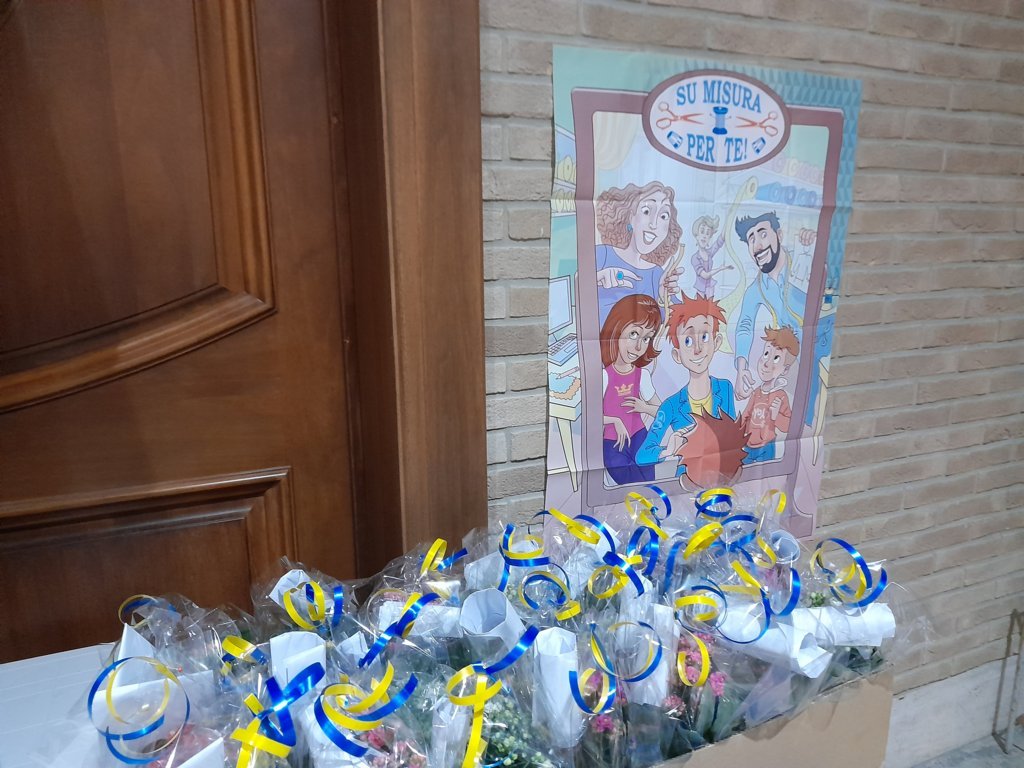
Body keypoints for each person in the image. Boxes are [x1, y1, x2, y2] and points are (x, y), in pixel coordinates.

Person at [637, 293, 736, 476]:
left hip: (721, 477)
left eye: (704, 337)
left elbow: (732, 436)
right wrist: (669, 450)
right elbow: (642, 455)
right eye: (688, 341)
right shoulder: (670, 406)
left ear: (716, 342)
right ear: (677, 355)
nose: (698, 349)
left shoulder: (725, 389)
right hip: (686, 480)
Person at [732, 211, 814, 399]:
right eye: (751, 239)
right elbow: (745, 325)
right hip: (795, 360)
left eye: (763, 234)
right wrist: (741, 369)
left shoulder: (802, 259)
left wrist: (814, 243)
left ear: (779, 235)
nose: (757, 245)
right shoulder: (758, 288)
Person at [595, 181, 684, 325]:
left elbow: (680, 324)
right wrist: (596, 279)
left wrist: (663, 298)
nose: (654, 224)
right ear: (631, 216)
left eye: (663, 216)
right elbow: (567, 296)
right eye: (647, 211)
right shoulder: (601, 254)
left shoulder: (657, 275)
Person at [600, 295, 663, 485]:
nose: (638, 347)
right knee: (629, 488)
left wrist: (644, 408)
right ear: (616, 329)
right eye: (634, 334)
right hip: (613, 443)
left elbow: (663, 412)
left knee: (649, 488)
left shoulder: (642, 375)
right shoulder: (604, 376)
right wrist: (615, 421)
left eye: (646, 338)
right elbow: (590, 418)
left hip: (640, 438)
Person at [741, 326, 798, 464]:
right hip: (747, 445)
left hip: (767, 446)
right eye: (766, 354)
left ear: (785, 369)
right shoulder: (756, 392)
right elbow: (746, 414)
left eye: (776, 358)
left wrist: (776, 416)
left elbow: (788, 426)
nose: (767, 363)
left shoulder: (780, 395)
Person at [690, 214, 733, 298]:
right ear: (697, 235)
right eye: (702, 231)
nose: (704, 236)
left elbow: (720, 240)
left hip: (710, 289)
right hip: (700, 291)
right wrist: (720, 269)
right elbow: (705, 275)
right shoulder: (695, 258)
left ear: (710, 238)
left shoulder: (709, 253)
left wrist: (728, 218)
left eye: (707, 233)